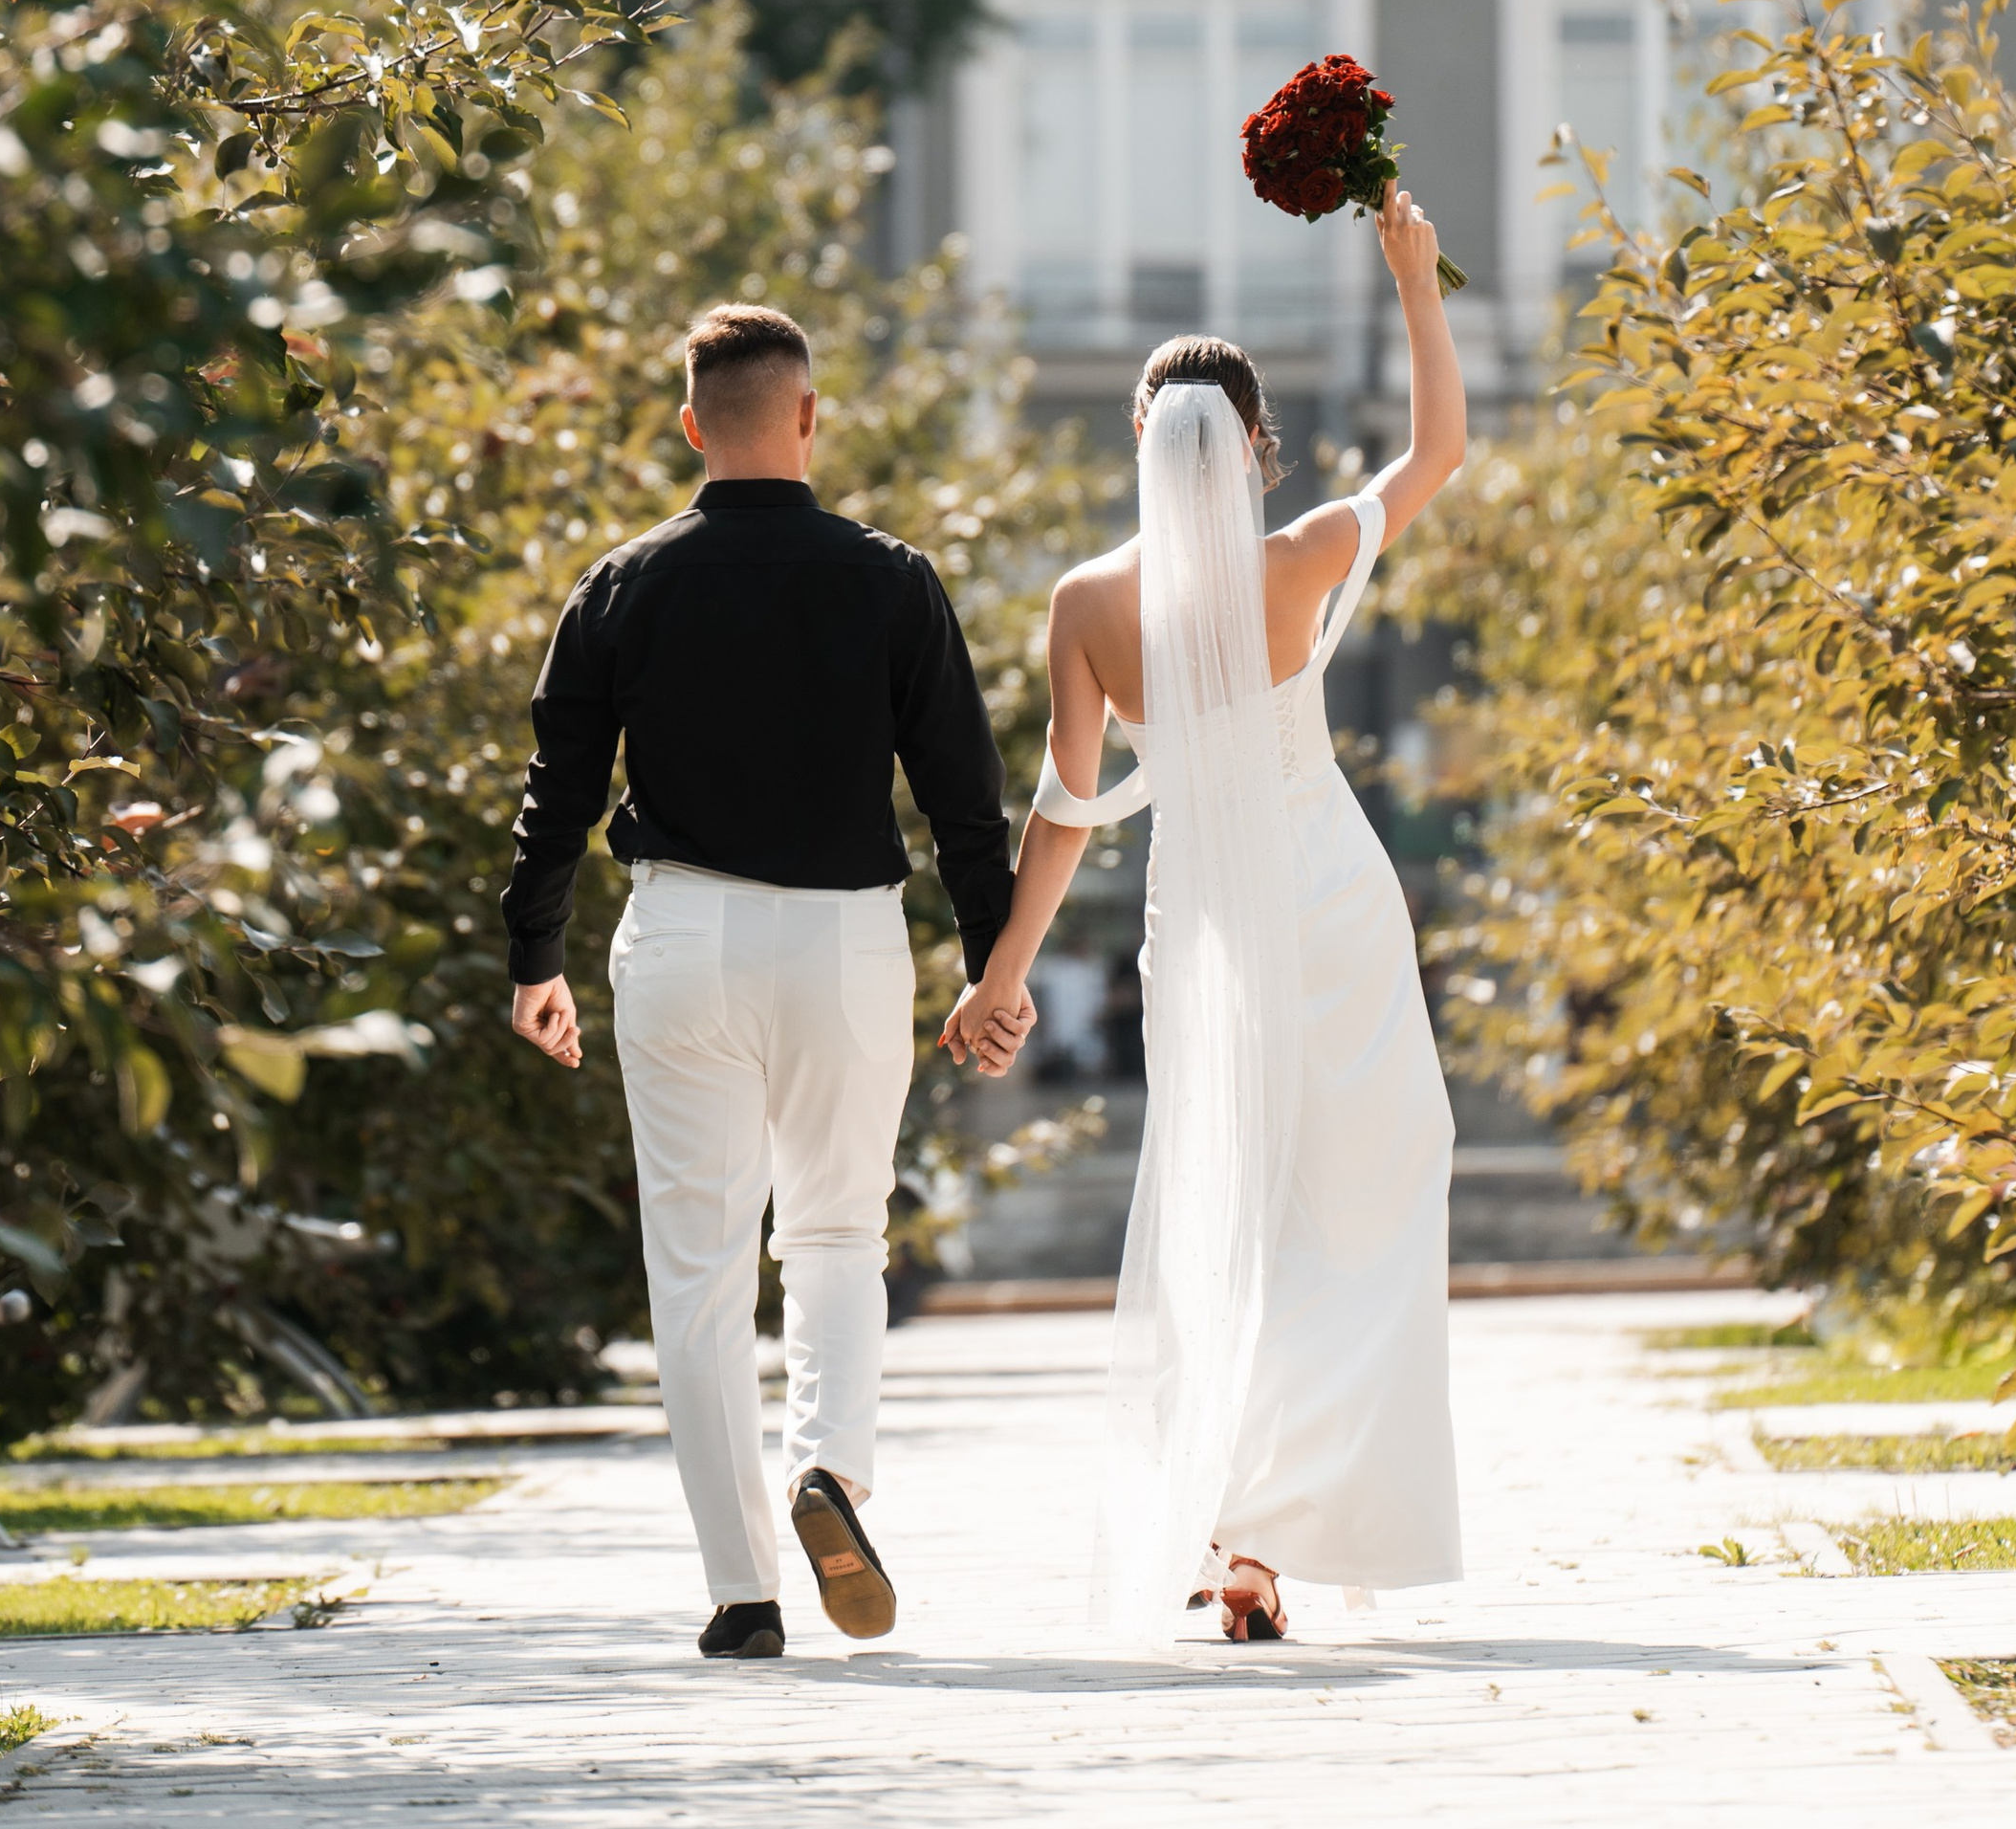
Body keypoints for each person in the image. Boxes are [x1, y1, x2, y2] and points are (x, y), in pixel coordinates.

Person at [943, 188, 1466, 1646]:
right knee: (1359, 1195)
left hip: (1204, 923)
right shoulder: (1301, 560)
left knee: (1218, 1197)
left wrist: (1002, 976)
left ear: (1137, 446)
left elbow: (1058, 811)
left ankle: (1236, 1526)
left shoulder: (1089, 604)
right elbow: (1441, 451)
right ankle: (1282, 1512)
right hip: (1334, 905)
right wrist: (1415, 282)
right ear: (1255, 445)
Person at [502, 302, 1023, 1662]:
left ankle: (742, 1590)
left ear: (691, 427)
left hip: (679, 939)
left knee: (697, 1272)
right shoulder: (892, 579)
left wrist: (532, 958)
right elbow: (966, 802)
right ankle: (832, 1476)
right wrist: (994, 967)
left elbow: (557, 794)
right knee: (841, 1234)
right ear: (808, 416)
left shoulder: (622, 584)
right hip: (845, 941)